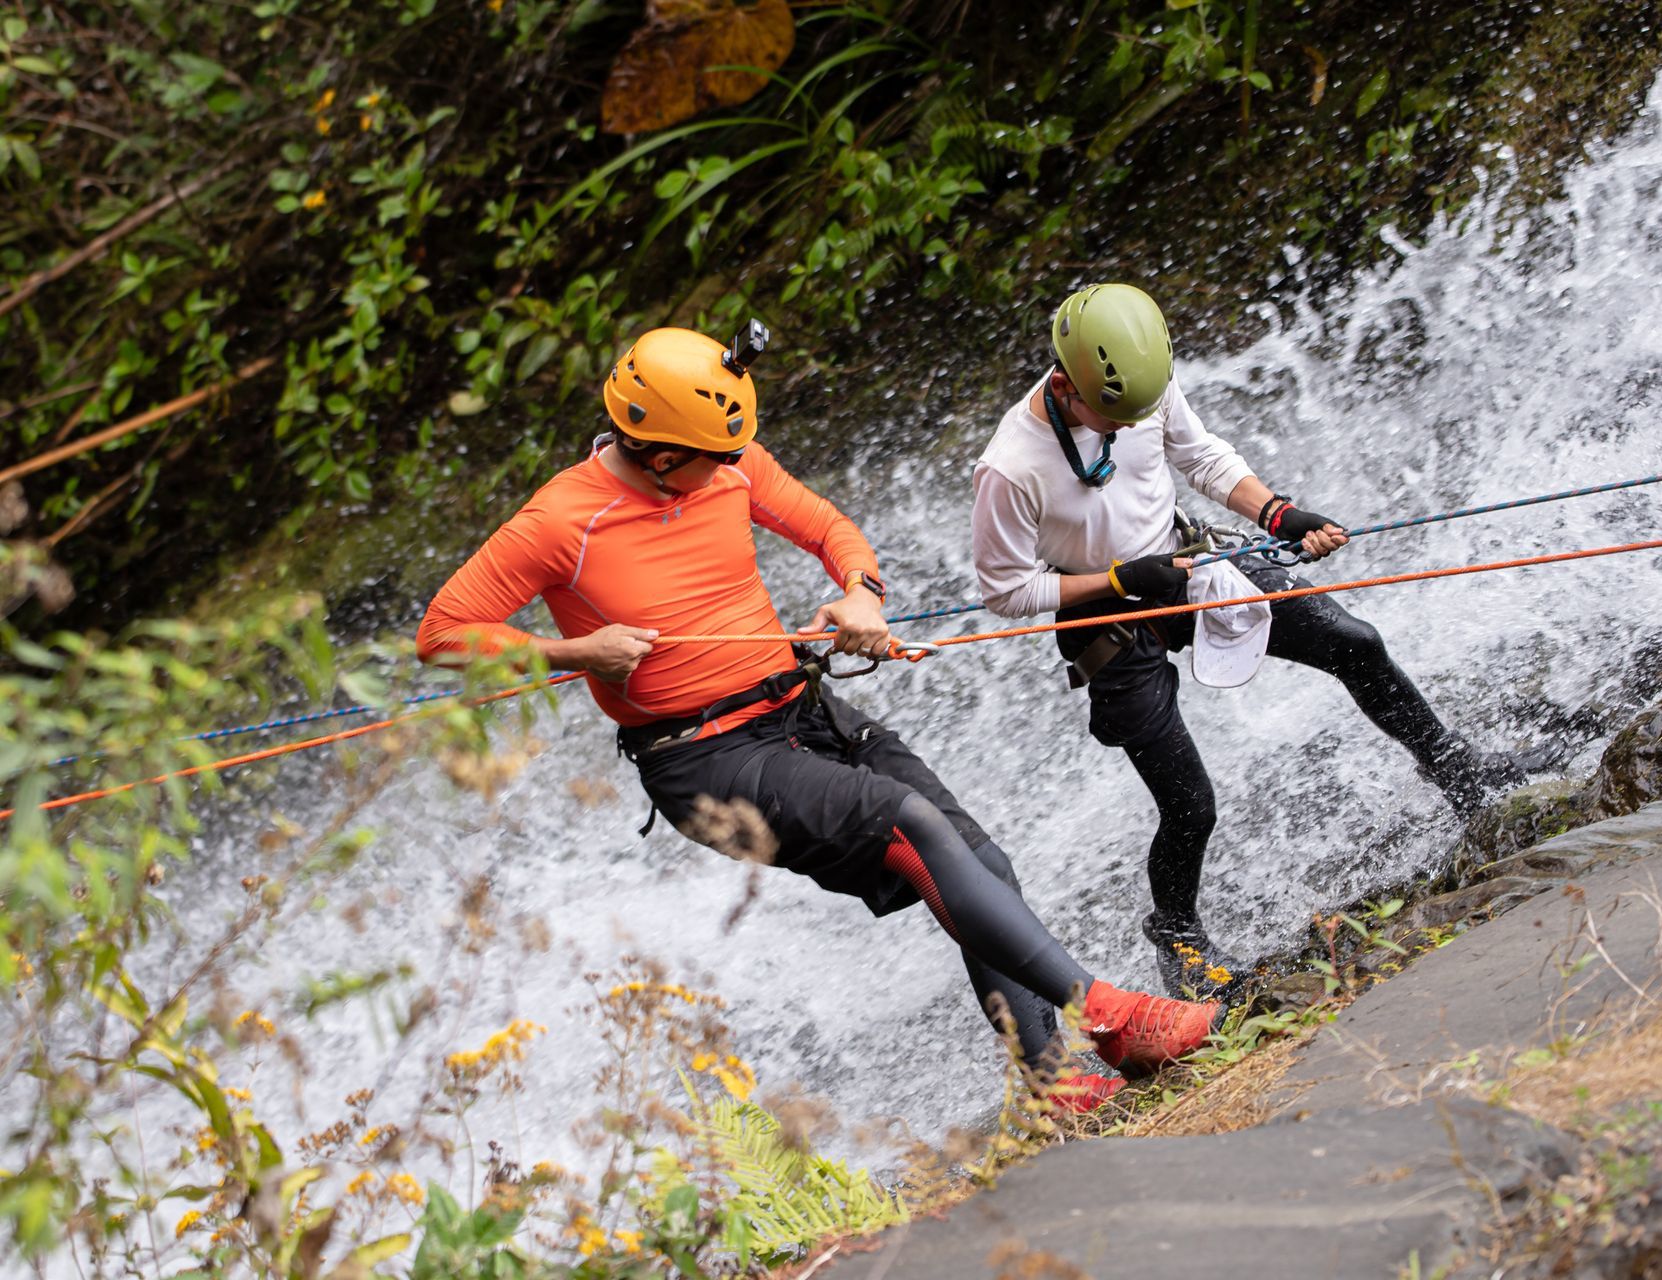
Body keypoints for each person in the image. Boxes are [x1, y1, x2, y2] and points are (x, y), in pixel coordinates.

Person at [417, 320, 1219, 1109]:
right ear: (662, 457)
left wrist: (861, 592)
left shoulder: (728, 467)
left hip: (800, 710)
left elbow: (829, 528)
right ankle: (1109, 1016)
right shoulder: (561, 521)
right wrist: (578, 653)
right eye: (717, 458)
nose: (737, 468)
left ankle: (1056, 1088)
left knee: (983, 862)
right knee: (907, 822)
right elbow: (442, 637)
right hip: (706, 760)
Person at [970, 284, 1547, 995]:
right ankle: (1178, 937)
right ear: (1065, 383)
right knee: (1191, 805)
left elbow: (1201, 457)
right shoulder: (1011, 466)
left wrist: (1279, 513)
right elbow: (1006, 590)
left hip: (1183, 565)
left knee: (1354, 643)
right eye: (1111, 418)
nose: (1126, 427)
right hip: (1108, 619)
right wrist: (1119, 578)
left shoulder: (1140, 380)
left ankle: (1458, 769)